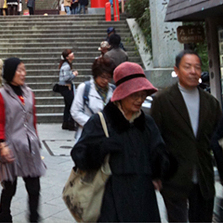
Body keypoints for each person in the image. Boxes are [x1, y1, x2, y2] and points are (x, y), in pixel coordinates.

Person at [71, 61, 171, 223]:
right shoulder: (101, 122)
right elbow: (79, 155)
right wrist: (101, 148)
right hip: (110, 201)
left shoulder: (147, 123)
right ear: (121, 94)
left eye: (143, 94)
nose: (140, 99)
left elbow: (161, 154)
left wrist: (160, 164)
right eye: (134, 95)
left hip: (143, 200)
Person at [151, 50, 222, 223]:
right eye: (187, 66)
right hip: (174, 177)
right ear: (177, 69)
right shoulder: (163, 101)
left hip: (204, 177)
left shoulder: (211, 103)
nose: (193, 71)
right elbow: (154, 140)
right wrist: (155, 174)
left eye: (197, 67)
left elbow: (216, 138)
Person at [0, 57, 46, 223]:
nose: (24, 73)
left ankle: (34, 218)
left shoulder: (29, 93)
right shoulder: (1, 94)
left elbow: (33, 119)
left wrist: (36, 139)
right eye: (19, 70)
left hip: (30, 147)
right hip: (10, 147)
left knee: (34, 188)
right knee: (9, 189)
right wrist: (1, 144)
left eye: (24, 69)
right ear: (10, 72)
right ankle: (4, 218)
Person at [71, 56, 115, 140]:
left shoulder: (113, 90)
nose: (105, 80)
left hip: (108, 136)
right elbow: (75, 111)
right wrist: (94, 124)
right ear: (96, 75)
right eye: (102, 77)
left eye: (108, 77)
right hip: (88, 135)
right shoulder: (84, 88)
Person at [58, 49, 78, 130]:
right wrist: (74, 74)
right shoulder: (66, 66)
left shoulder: (66, 65)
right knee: (71, 105)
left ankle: (66, 123)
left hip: (64, 88)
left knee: (67, 105)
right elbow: (66, 78)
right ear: (67, 57)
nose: (72, 54)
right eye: (70, 53)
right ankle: (70, 124)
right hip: (66, 87)